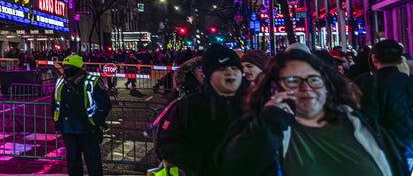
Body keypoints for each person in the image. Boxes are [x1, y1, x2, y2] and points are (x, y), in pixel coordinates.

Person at [218, 45, 400, 176]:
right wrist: (268, 124)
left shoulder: (357, 121)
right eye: (292, 80)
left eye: (313, 79)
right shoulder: (263, 128)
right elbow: (235, 165)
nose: (306, 87)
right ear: (275, 87)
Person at [154, 43, 244, 176]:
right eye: (221, 69)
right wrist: (203, 164)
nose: (229, 73)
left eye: (234, 68)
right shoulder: (187, 106)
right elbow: (168, 144)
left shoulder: (254, 102)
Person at [355, 39, 413, 170]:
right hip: (409, 148)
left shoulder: (364, 83)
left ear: (374, 59)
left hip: (378, 149)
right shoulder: (409, 83)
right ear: (400, 60)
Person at [53, 54, 110, 176]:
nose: (65, 69)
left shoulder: (92, 82)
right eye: (64, 66)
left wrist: (96, 120)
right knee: (73, 163)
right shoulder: (61, 83)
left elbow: (104, 104)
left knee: (93, 162)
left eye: (68, 66)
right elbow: (55, 104)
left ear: (77, 68)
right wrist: (58, 121)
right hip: (68, 130)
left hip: (88, 130)